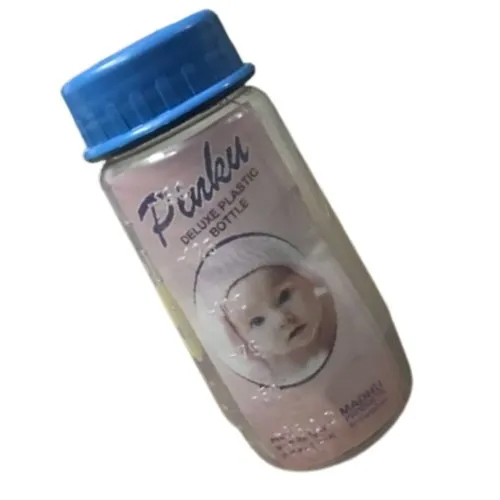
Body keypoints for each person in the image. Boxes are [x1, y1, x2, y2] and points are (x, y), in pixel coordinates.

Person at [194, 232, 338, 387]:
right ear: (239, 339)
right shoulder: (272, 377)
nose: (282, 319)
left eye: (284, 297)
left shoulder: (343, 301)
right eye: (257, 321)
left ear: (308, 278)